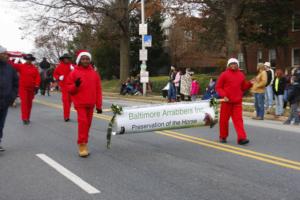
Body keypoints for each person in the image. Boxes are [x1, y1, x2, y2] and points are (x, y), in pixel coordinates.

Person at [66, 50, 102, 157]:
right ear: (79, 60)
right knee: (83, 123)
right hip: (80, 103)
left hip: (90, 104)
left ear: (90, 60)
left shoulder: (94, 74)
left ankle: (84, 142)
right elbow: (69, 89)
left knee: (88, 124)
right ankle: (82, 145)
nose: (85, 61)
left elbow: (98, 90)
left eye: (87, 59)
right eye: (83, 59)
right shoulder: (74, 73)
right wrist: (75, 85)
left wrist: (99, 105)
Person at [216, 58, 253, 145]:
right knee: (224, 120)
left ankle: (241, 138)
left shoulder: (241, 75)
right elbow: (218, 87)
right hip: (226, 102)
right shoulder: (224, 74)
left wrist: (250, 83)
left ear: (238, 65)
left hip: (237, 102)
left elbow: (243, 87)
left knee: (239, 121)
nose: (233, 65)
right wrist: (224, 95)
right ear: (228, 65)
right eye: (231, 64)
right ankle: (223, 136)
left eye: (235, 64)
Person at [8, 54, 40, 125]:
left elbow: (37, 77)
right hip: (23, 88)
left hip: (31, 88)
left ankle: (28, 117)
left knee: (29, 103)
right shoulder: (21, 66)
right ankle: (24, 118)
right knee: (24, 102)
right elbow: (13, 65)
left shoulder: (35, 69)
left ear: (32, 60)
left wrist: (37, 86)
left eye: (30, 60)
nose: (29, 61)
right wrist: (8, 58)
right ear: (26, 60)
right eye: (28, 59)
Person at [0, 45, 19, 151]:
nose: (6, 56)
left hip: (5, 100)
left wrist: (12, 97)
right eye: (4, 54)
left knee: (1, 124)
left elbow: (15, 83)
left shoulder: (10, 68)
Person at [53, 53, 74, 122]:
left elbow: (78, 73)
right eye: (65, 59)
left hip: (72, 86)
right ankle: (66, 116)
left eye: (67, 58)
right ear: (63, 59)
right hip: (64, 86)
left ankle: (68, 115)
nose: (66, 60)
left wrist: (74, 70)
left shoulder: (72, 66)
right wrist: (59, 77)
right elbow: (55, 74)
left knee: (70, 101)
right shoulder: (59, 66)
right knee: (66, 102)